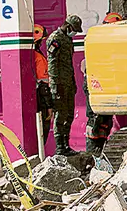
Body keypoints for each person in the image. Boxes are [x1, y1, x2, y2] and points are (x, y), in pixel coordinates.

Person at [83, 12, 122, 155]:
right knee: (95, 120)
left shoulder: (108, 41)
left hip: (105, 84)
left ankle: (99, 153)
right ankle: (91, 156)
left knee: (105, 121)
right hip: (96, 83)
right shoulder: (98, 41)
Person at [46, 15, 82, 156]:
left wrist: (72, 82)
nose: (74, 32)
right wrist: (56, 85)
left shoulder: (67, 39)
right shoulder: (55, 39)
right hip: (59, 84)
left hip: (68, 83)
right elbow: (52, 64)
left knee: (69, 114)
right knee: (60, 115)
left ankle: (66, 144)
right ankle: (60, 147)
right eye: (74, 29)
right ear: (68, 26)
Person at [33, 24, 53, 141]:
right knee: (42, 133)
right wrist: (49, 106)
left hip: (35, 99)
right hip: (41, 101)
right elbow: (43, 83)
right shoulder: (38, 57)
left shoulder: (31, 55)